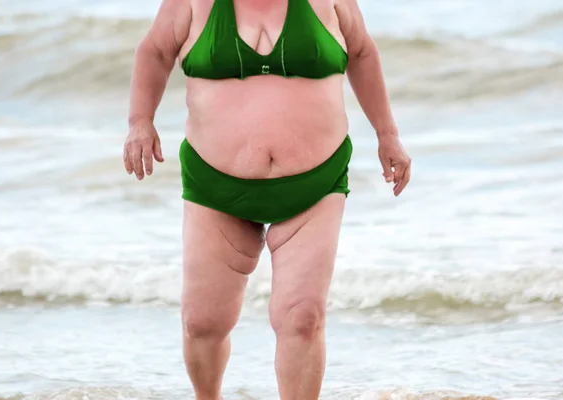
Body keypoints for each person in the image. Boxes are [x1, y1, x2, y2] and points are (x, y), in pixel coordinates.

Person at [123, 0, 411, 398]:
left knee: (302, 317)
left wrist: (387, 134)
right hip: (214, 185)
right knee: (203, 322)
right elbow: (154, 51)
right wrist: (140, 121)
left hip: (315, 183)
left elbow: (361, 51)